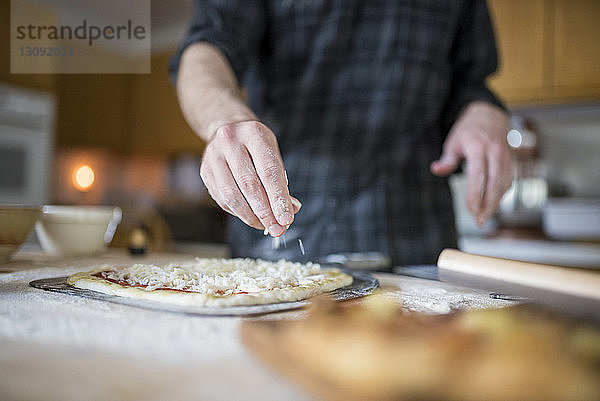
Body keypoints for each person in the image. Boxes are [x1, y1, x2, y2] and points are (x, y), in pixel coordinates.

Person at [169, 0, 513, 265]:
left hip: (421, 249)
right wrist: (223, 119)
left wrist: (481, 112)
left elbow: (472, 82)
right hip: (281, 254)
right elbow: (206, 48)